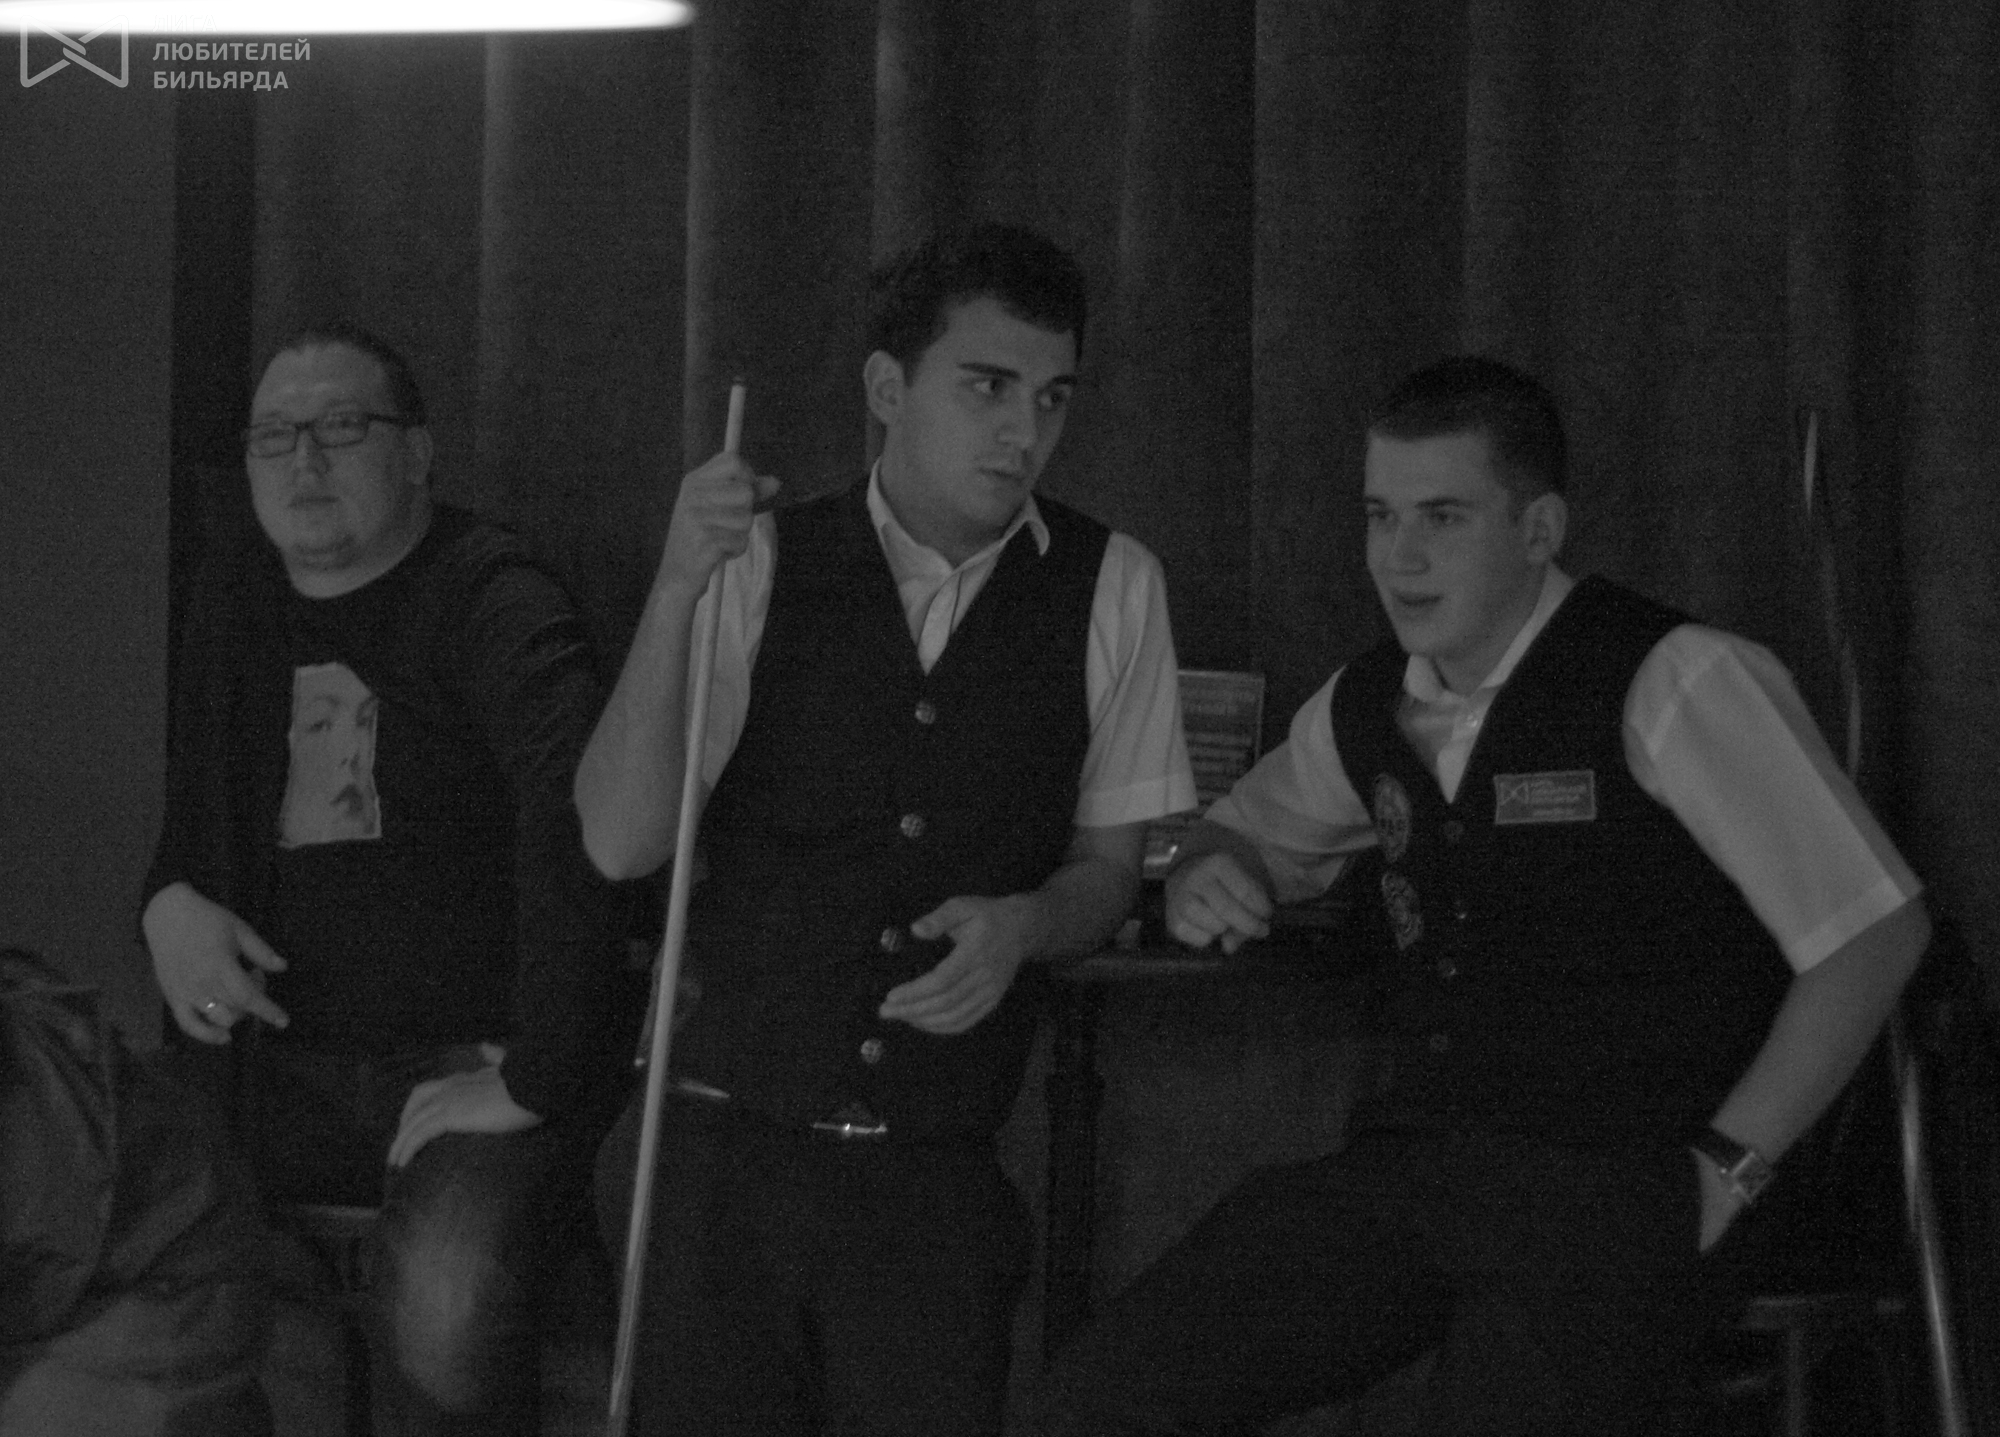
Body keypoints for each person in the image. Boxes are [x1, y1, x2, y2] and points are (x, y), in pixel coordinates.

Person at [1041, 355, 1931, 1436]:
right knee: (1108, 1392)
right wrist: (1208, 870)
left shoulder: (1674, 678)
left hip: (1632, 1182)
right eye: (1380, 517)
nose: (1399, 556)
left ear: (1538, 529)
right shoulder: (1368, 699)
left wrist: (1726, 1170)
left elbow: (1874, 932)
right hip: (1423, 1169)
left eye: (1442, 518)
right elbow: (1240, 831)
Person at [578, 223, 1196, 1436]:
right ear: (884, 388)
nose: (1023, 432)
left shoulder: (1114, 584)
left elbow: (1107, 873)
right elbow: (618, 840)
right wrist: (674, 588)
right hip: (717, 1145)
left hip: (933, 1170)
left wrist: (1024, 927)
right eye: (986, 386)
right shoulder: (758, 560)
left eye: (1051, 397)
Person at [140, 321, 633, 1434]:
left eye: (341, 427)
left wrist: (539, 1074)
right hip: (267, 1062)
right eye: (275, 437)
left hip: (468, 1059)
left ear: (417, 453)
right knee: (168, 1269)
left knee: (443, 1311)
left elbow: (583, 835)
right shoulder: (236, 598)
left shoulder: (493, 596)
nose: (304, 460)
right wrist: (164, 907)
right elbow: (191, 836)